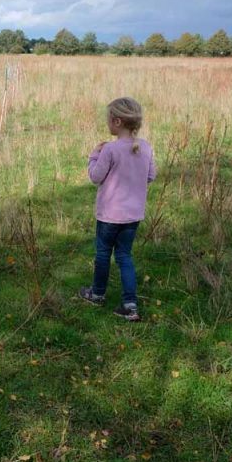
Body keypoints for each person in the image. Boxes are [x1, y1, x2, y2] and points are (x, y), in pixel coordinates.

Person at [78, 97, 156, 321]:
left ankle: (98, 293)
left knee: (103, 254)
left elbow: (95, 176)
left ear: (118, 121)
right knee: (124, 256)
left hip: (109, 216)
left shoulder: (109, 150)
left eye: (109, 119)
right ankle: (130, 305)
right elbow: (151, 176)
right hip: (133, 216)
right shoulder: (146, 147)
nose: (107, 123)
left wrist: (94, 155)